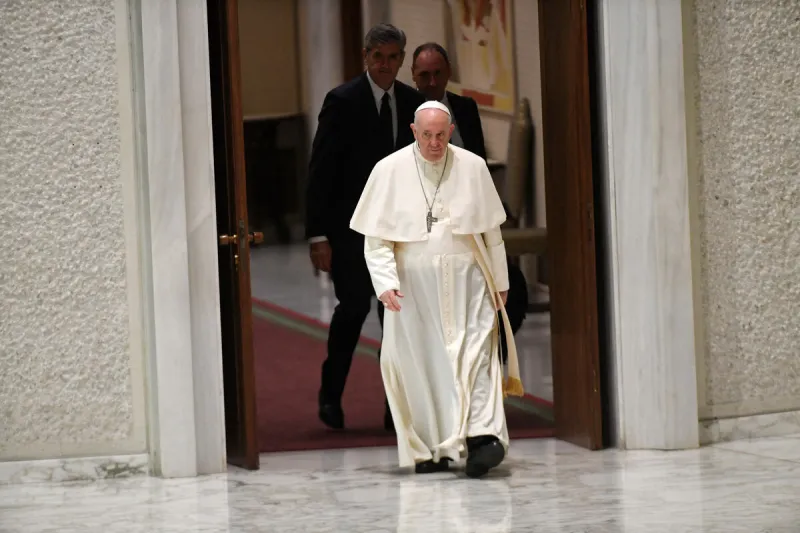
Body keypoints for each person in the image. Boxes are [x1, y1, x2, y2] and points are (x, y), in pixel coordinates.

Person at [349, 101, 524, 478]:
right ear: (414, 131)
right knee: (422, 366)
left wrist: (500, 281)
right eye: (426, 135)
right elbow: (376, 241)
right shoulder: (389, 170)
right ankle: (431, 449)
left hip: (469, 280)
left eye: (441, 135)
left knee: (476, 355)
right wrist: (385, 283)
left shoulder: (472, 167)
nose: (434, 143)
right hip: (413, 290)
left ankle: (483, 438)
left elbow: (492, 234)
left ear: (451, 130)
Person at [305, 24, 425, 432]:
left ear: (401, 59)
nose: (386, 65)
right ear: (365, 57)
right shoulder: (341, 101)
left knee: (395, 317)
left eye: (393, 58)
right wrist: (318, 235)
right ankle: (330, 394)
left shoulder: (412, 102)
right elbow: (320, 170)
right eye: (378, 57)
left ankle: (396, 409)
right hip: (351, 229)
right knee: (354, 309)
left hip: (400, 232)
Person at [411, 41, 528, 363]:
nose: (431, 82)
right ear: (413, 76)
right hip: (427, 225)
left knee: (511, 287)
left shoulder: (465, 108)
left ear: (448, 73)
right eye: (424, 75)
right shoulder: (409, 113)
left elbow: (478, 164)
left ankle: (490, 355)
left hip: (470, 217)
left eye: (437, 74)